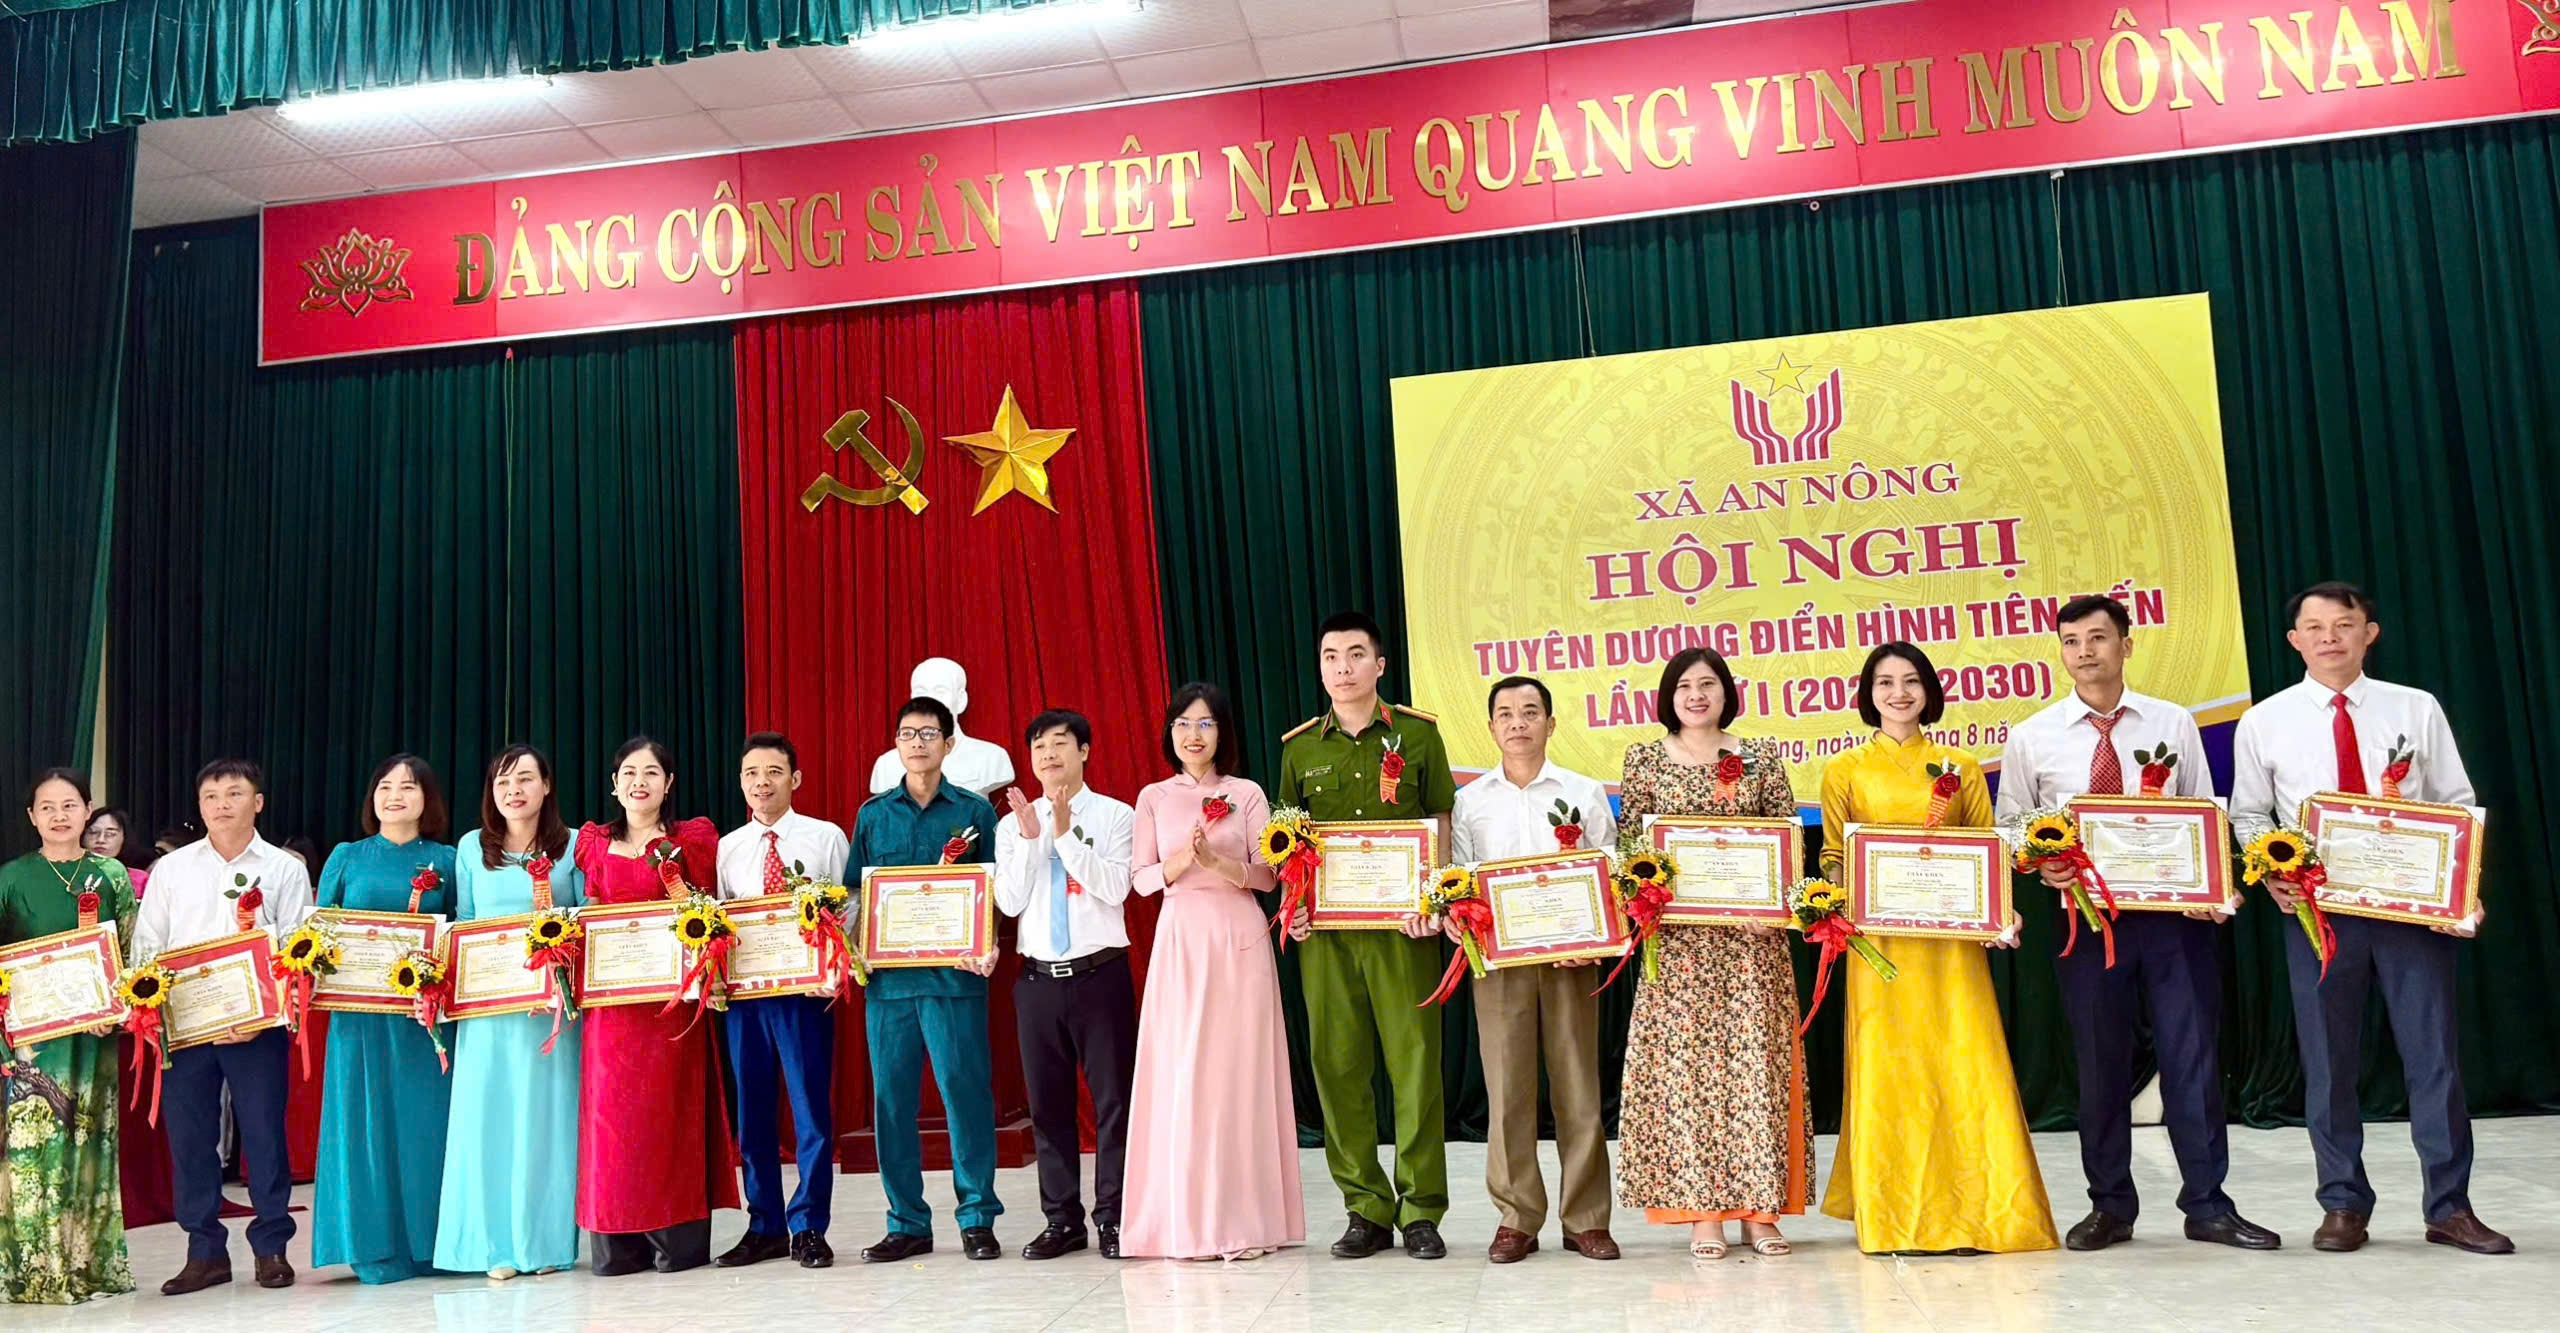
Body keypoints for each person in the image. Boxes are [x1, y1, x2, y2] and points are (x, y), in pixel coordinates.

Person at [1994, 595, 2281, 1254]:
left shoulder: (2173, 721)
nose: (2085, 651)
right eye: (2072, 641)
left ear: (2126, 644)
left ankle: (2208, 1204)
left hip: (2175, 921)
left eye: (2098, 637)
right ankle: (2110, 1205)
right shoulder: (2033, 735)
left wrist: (2210, 885)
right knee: (2100, 1066)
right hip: (2087, 921)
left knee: (2193, 1060)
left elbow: (2202, 812)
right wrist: (2040, 860)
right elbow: (2011, 824)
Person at [2230, 582, 2509, 1255]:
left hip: (2411, 913)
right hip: (2319, 915)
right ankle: (2342, 1204)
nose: (2329, 638)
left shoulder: (2415, 707)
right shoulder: (2264, 720)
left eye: (2343, 624)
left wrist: (2457, 888)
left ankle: (2450, 1206)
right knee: (2328, 1062)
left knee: (2434, 1057)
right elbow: (2248, 814)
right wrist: (2272, 872)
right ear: (2294, 640)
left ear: (2369, 633)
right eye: (2314, 627)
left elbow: (2455, 802)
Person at [1817, 645, 2059, 1255]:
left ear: (1928, 691)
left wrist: (1999, 907)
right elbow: (1834, 853)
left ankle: (1985, 1213)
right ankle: (1895, 1216)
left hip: (1952, 944)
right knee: (1890, 1066)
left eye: (1910, 681)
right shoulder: (1845, 768)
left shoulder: (1962, 766)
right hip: (1880, 947)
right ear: (1868, 694)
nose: (1898, 693)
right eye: (1885, 682)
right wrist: (1837, 896)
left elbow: (1986, 846)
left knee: (1964, 1060)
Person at [1614, 649, 1810, 1261]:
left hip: (1753, 945)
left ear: (1727, 693)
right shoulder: (1644, 760)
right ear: (1668, 696)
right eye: (1684, 685)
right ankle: (1703, 1213)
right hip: (1678, 947)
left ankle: (1761, 1213)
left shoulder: (1761, 757)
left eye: (1708, 684)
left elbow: (1789, 842)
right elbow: (1630, 847)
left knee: (1757, 1070)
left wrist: (1775, 905)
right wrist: (1643, 894)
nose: (1696, 695)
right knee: (1688, 1074)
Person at [1276, 611, 1457, 1261]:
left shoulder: (1419, 736)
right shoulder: (1300, 749)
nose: (1343, 667)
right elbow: (1288, 841)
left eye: (1356, 654)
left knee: (1416, 1068)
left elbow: (1440, 820)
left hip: (1404, 932)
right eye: (1331, 656)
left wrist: (1435, 900)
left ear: (1379, 665)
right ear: (1320, 668)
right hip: (1328, 939)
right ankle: (1365, 1207)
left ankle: (1421, 1208)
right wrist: (1294, 906)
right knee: (1338, 1067)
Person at [1121, 683, 1305, 1261]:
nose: (1193, 735)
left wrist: (1216, 862)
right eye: (1182, 724)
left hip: (1238, 935)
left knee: (1239, 1074)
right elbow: (1141, 880)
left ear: (1223, 732)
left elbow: (1268, 876)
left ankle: (1245, 1222)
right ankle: (1186, 1221)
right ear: (1169, 733)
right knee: (1185, 1073)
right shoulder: (1153, 797)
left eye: (1205, 723)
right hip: (1182, 939)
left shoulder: (1246, 793)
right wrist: (1184, 860)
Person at [131, 758, 314, 1294]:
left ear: (257, 802)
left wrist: (264, 1013)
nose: (221, 805)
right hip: (186, 1028)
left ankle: (272, 1246)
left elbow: (298, 951)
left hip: (258, 1029)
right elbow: (148, 945)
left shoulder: (283, 869)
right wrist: (152, 1008)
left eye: (234, 794)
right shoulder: (172, 870)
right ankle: (204, 1251)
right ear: (200, 806)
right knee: (190, 1138)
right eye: (210, 796)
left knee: (264, 1134)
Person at [1453, 676, 1619, 1264]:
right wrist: (1460, 919)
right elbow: (1459, 877)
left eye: (1529, 711)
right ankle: (1516, 1218)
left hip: (1572, 957)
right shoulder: (1471, 800)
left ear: (1550, 723)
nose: (1517, 722)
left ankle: (1586, 1220)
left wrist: (1598, 936)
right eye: (1505, 713)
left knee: (1579, 1087)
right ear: (1491, 727)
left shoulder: (1583, 791)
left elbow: (1609, 869)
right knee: (1507, 1091)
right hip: (1500, 963)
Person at [572, 736, 739, 1275]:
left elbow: (705, 906)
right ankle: (618, 1243)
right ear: (614, 784)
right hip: (612, 1010)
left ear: (668, 784)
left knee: (670, 1117)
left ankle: (675, 1240)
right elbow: (589, 911)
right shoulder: (593, 843)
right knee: (612, 1122)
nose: (638, 781)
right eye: (628, 772)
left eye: (650, 772)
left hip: (673, 1006)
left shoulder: (693, 839)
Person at [852, 696, 1005, 1262]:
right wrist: (853, 947)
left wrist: (988, 943)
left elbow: (993, 891)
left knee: (965, 1095)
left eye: (928, 734)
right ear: (895, 743)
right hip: (889, 985)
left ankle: (977, 1217)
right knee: (891, 1104)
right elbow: (854, 892)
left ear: (949, 742)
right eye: (907, 734)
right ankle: (907, 1221)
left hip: (954, 980)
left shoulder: (974, 812)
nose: (917, 743)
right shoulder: (873, 815)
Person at [434, 745, 586, 1279]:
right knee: (489, 1124)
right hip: (488, 1015)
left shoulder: (574, 846)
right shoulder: (471, 847)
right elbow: (465, 922)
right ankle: (492, 1246)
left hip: (550, 1016)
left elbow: (585, 921)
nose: (513, 790)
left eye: (524, 779)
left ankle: (545, 1245)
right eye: (502, 782)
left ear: (547, 785)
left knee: (547, 1123)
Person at [310, 755, 460, 1283]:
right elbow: (317, 932)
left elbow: (461, 935)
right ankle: (371, 1247)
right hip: (359, 1020)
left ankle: (432, 1244)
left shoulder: (448, 859)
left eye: (409, 786)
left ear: (428, 799)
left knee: (424, 1127)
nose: (395, 795)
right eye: (385, 786)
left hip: (424, 1022)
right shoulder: (346, 857)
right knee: (363, 1127)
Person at [994, 709, 1137, 1260]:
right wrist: (1032, 840)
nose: (1048, 754)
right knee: (1048, 1106)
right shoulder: (1012, 824)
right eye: (1038, 747)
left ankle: (1115, 1217)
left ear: (1084, 751)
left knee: (1113, 1103)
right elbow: (1010, 903)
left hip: (1100, 976)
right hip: (1037, 982)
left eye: (1059, 743)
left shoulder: (1116, 815)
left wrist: (1063, 834)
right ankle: (1062, 1220)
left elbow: (1114, 888)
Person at [0, 769, 138, 1303]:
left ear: (87, 810)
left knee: (89, 1143)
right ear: (31, 816)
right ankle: (34, 1270)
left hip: (94, 1036)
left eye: (70, 805)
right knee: (32, 1149)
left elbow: (131, 953)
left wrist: (118, 1007)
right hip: (32, 1045)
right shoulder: (11, 877)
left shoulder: (111, 875)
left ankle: (86, 1266)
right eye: (47, 807)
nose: (59, 816)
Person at [714, 732, 850, 1270]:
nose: (761, 782)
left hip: (804, 995)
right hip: (747, 1000)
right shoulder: (728, 847)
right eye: (751, 773)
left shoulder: (825, 837)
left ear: (795, 779)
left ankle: (809, 1225)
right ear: (741, 782)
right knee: (752, 1113)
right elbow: (721, 921)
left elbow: (847, 909)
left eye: (773, 772)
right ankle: (764, 1224)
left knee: (810, 1110)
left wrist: (833, 966)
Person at [868, 658, 1017, 797]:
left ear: (961, 700)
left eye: (940, 691)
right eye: (921, 691)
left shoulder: (991, 758)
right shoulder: (887, 765)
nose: (929, 700)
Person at [81, 806, 148, 893]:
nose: (101, 840)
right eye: (93, 832)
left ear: (124, 838)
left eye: (110, 834)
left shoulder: (140, 880)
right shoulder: (70, 874)